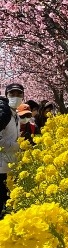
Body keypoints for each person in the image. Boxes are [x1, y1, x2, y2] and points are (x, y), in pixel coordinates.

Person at [0, 84, 22, 216]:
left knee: (8, 200)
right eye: (12, 94)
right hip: (1, 166)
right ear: (7, 95)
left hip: (11, 165)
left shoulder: (16, 116)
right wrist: (16, 146)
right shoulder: (4, 114)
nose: (16, 97)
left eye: (19, 94)